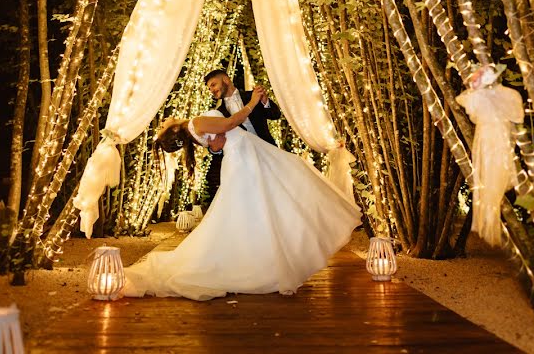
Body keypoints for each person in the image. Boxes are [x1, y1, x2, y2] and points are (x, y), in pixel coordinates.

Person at [121, 86, 361, 301]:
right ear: (173, 130)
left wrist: (219, 139)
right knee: (259, 204)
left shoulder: (195, 127)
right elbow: (228, 124)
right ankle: (258, 261)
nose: (165, 120)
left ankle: (264, 257)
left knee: (261, 204)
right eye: (164, 125)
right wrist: (253, 102)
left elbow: (218, 140)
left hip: (248, 153)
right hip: (243, 158)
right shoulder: (195, 124)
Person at [202, 69, 281, 203]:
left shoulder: (253, 95)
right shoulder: (218, 113)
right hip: (244, 160)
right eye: (210, 88)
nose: (212, 90)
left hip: (267, 151)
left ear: (226, 80)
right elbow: (216, 144)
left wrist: (265, 101)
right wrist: (214, 149)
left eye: (214, 85)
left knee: (276, 193)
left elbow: (275, 115)